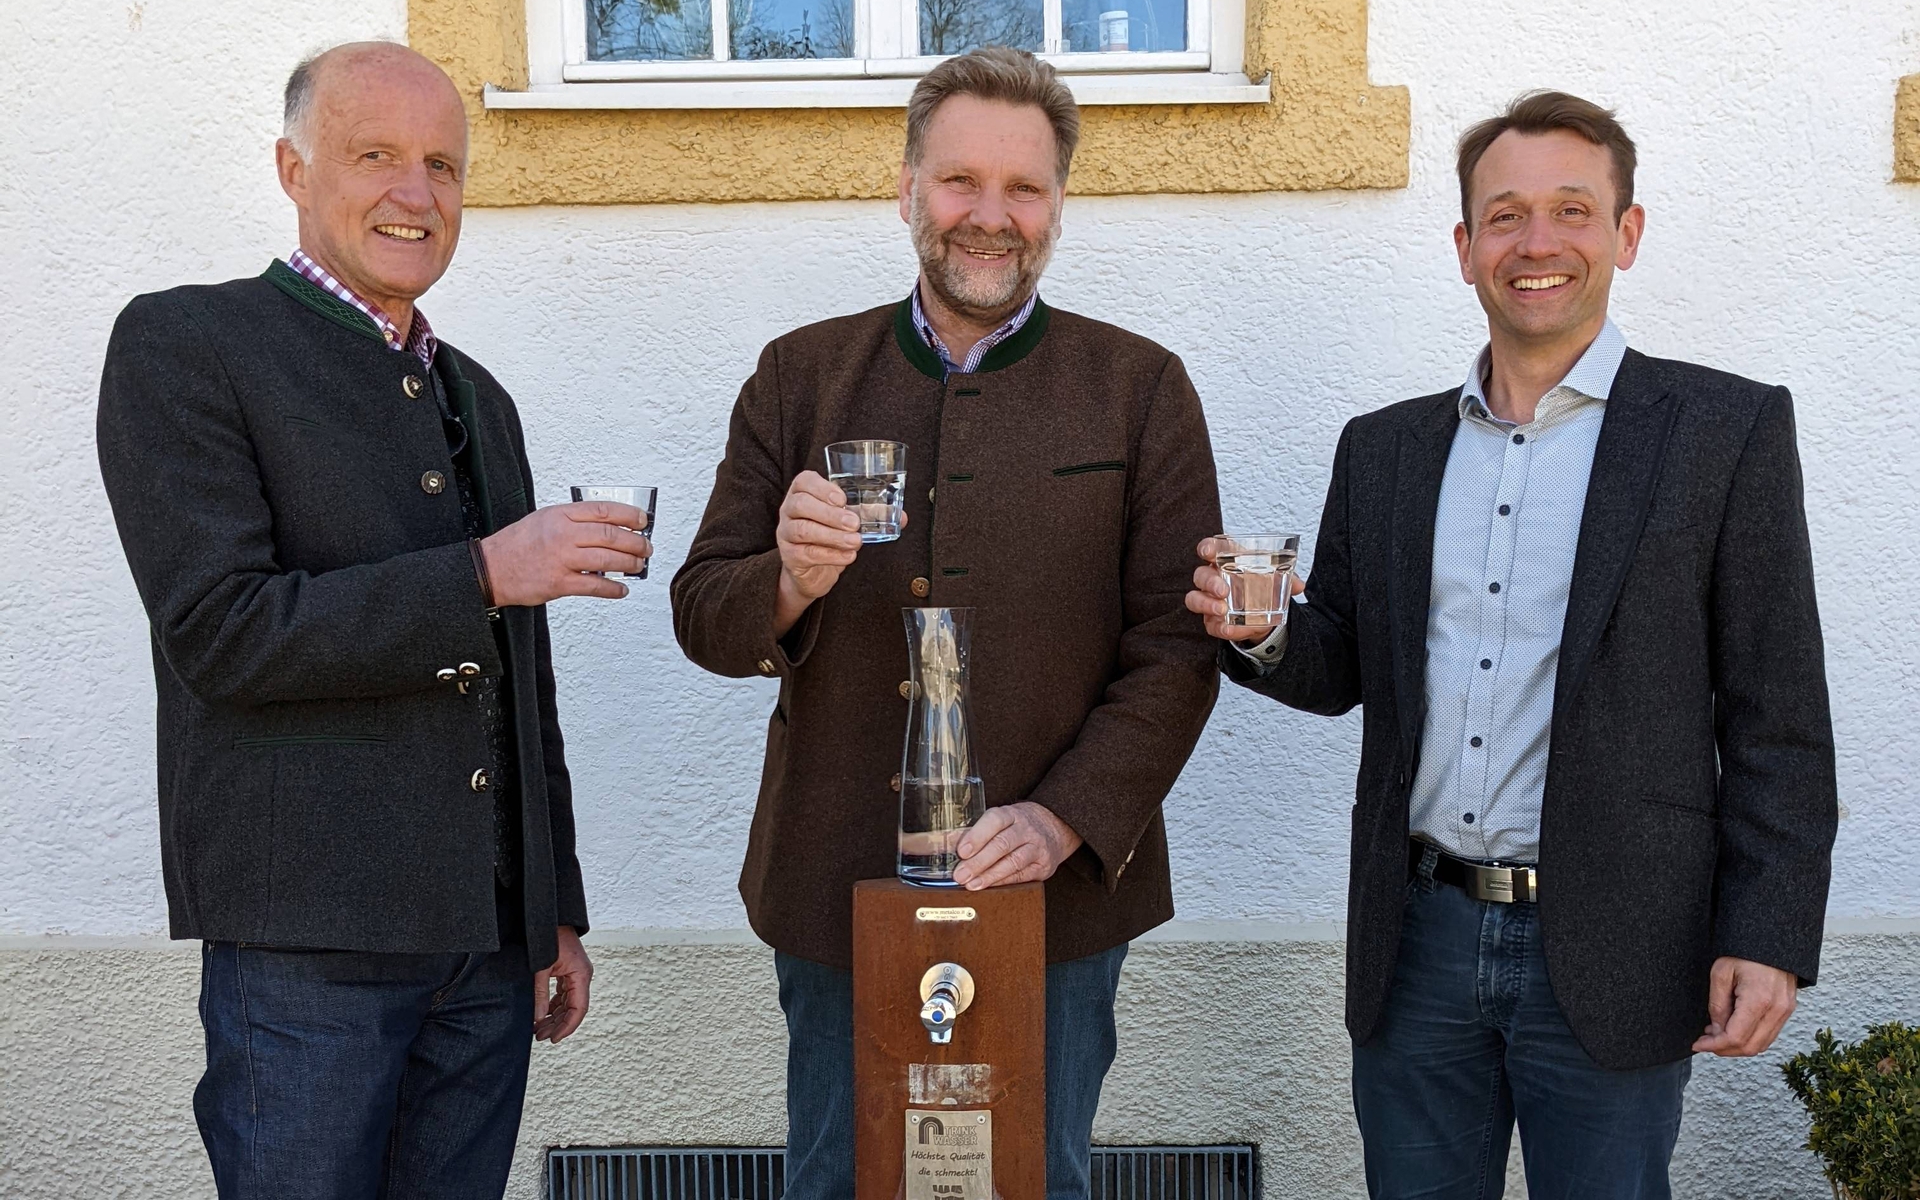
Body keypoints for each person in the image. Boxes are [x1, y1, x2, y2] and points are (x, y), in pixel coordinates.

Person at [1186, 91, 1837, 1199]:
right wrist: (1264, 635)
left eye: (1572, 211)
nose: (1538, 244)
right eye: (1506, 216)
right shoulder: (1384, 449)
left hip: (1623, 943)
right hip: (1418, 944)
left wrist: (1769, 931)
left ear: (1626, 235)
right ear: (1465, 247)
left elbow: (1778, 716)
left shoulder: (1726, 433)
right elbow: (1341, 664)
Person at [95, 41, 651, 1199]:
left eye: (443, 165)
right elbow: (222, 632)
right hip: (307, 946)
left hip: (488, 951)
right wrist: (485, 573)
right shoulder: (185, 344)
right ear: (293, 169)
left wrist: (551, 909)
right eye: (377, 156)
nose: (417, 193)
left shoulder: (478, 394)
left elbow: (518, 677)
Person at [671, 45, 1223, 1200]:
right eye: (962, 181)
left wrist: (1069, 818)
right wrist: (785, 578)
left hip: (1054, 894)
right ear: (910, 190)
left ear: (1059, 206)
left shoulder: (1143, 386)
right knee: (838, 1175)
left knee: (1035, 1176)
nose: (991, 215)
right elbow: (704, 612)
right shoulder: (800, 375)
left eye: (1023, 188)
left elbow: (1176, 648)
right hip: (835, 877)